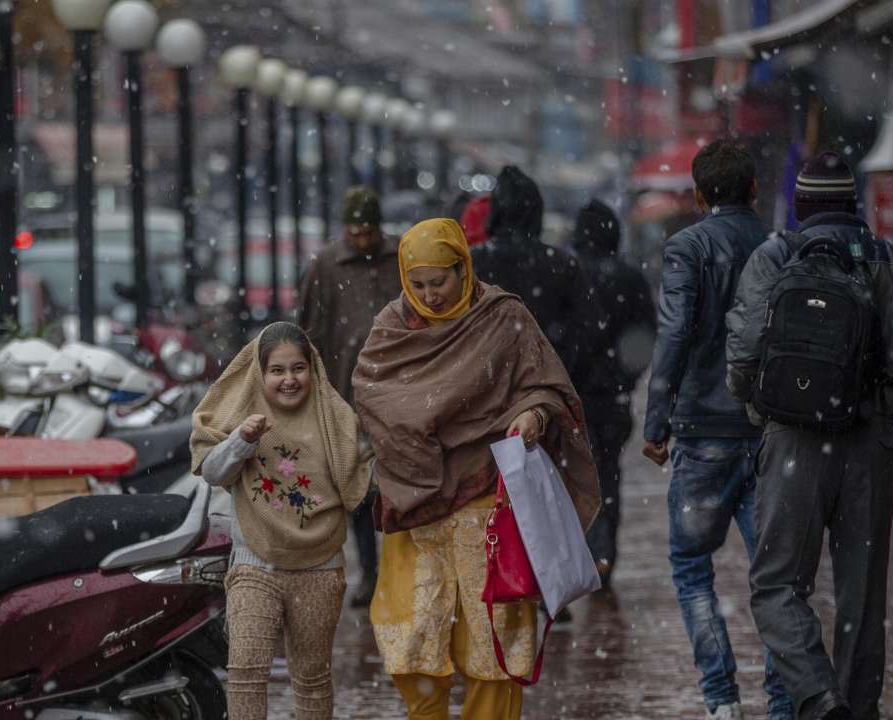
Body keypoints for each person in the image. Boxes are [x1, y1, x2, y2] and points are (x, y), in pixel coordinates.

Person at [725, 151, 893, 720]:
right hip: (869, 446)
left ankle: (819, 695)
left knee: (777, 586)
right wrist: (882, 402)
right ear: (853, 204)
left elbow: (743, 355)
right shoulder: (892, 261)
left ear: (801, 206)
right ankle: (856, 707)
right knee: (861, 598)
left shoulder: (774, 256)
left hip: (793, 443)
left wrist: (765, 409)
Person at [353, 218, 599, 720]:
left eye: (438, 281)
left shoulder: (502, 317)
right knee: (413, 641)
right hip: (414, 506)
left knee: (493, 642)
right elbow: (372, 393)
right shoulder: (391, 327)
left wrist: (531, 415)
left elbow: (546, 386)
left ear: (463, 268)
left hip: (486, 499)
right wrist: (417, 425)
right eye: (417, 284)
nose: (430, 295)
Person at [641, 140, 793, 720]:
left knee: (691, 569)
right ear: (754, 189)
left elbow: (674, 335)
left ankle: (722, 701)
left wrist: (657, 423)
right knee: (777, 576)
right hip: (771, 427)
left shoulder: (688, 247)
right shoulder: (779, 248)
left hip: (704, 431)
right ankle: (781, 702)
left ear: (699, 195)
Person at [190, 322, 370, 720]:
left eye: (297, 369)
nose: (289, 380)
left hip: (320, 568)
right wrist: (242, 440)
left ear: (313, 370)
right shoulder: (243, 416)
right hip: (255, 564)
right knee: (246, 672)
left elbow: (360, 480)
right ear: (260, 373)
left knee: (311, 678)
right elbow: (215, 472)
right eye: (277, 370)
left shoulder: (335, 420)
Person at [297, 185, 401, 607]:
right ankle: (371, 572)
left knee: (401, 484)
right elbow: (310, 329)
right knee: (358, 488)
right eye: (354, 232)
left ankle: (398, 568)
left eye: (368, 232)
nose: (362, 239)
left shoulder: (400, 258)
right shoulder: (326, 265)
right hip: (347, 394)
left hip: (399, 394)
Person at [570, 199, 655, 590]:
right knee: (608, 475)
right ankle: (604, 554)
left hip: (576, 396)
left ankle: (585, 555)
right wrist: (625, 378)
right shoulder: (630, 278)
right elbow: (645, 337)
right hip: (613, 398)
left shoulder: (571, 273)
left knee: (573, 479)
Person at [471, 165, 587, 375]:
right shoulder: (562, 265)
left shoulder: (473, 261)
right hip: (545, 387)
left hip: (484, 388)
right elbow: (582, 333)